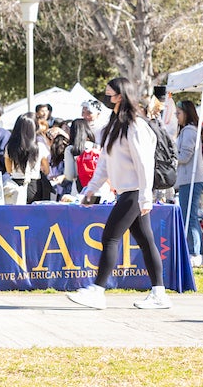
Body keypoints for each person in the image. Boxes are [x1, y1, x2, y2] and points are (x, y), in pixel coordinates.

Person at [67, 77, 170, 310]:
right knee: (145, 241)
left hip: (135, 192)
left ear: (120, 96)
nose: (106, 98)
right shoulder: (114, 126)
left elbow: (144, 164)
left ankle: (97, 290)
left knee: (110, 237)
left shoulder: (136, 126)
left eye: (109, 94)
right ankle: (159, 293)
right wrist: (90, 190)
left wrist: (145, 197)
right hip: (126, 191)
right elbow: (104, 163)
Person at [173, 99, 203, 267]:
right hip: (187, 180)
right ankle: (193, 251)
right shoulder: (187, 131)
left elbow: (184, 157)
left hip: (192, 180)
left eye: (178, 113)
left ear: (186, 113)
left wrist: (171, 156)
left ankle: (196, 254)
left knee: (189, 217)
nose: (176, 117)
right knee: (188, 216)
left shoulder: (190, 131)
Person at [5, 114, 51, 203]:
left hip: (15, 186)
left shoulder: (10, 146)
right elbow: (46, 170)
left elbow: (9, 169)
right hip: (34, 185)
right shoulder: (40, 146)